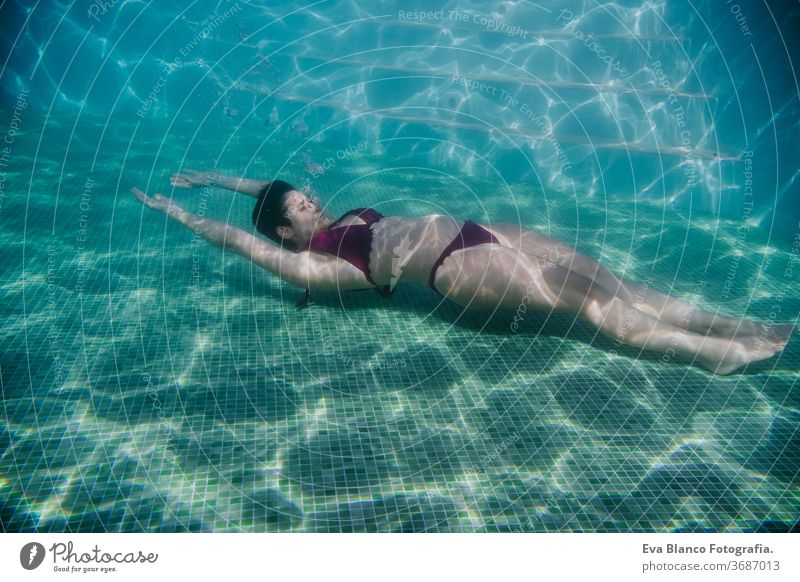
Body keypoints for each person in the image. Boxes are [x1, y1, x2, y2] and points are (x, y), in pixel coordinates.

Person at [130, 170, 794, 375]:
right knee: (590, 304)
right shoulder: (315, 265)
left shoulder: (322, 220)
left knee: (612, 280)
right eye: (302, 207)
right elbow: (245, 244)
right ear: (285, 232)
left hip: (480, 230)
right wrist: (183, 214)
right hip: (453, 264)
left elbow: (265, 185)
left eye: (310, 197)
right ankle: (713, 353)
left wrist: (217, 177)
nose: (314, 202)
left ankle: (726, 323)